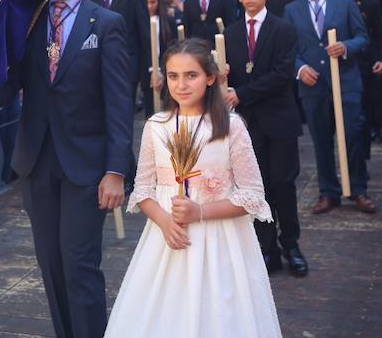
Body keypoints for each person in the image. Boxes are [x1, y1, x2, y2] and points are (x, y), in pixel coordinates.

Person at [0, 0, 131, 338]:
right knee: (50, 266)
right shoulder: (26, 23)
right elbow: (9, 79)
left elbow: (119, 103)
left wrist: (116, 170)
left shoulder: (106, 24)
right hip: (36, 161)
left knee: (79, 265)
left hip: (87, 166)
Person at [105, 39, 280, 337]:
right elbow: (144, 189)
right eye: (173, 76)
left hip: (219, 239)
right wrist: (164, 221)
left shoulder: (230, 126)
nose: (181, 84)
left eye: (191, 75)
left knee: (219, 314)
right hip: (168, 237)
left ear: (210, 78)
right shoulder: (156, 126)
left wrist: (199, 210)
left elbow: (252, 195)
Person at [222, 0, 307, 276]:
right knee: (256, 188)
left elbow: (283, 73)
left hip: (280, 118)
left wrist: (241, 93)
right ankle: (266, 248)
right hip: (247, 124)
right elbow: (226, 76)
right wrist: (223, 78)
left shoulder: (283, 29)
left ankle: (292, 245)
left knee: (283, 184)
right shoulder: (230, 34)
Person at [284, 0, 374, 214]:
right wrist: (300, 69)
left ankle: (358, 189)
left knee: (353, 137)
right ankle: (328, 192)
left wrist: (346, 47)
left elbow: (362, 38)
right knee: (321, 141)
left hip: (345, 83)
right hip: (313, 87)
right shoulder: (292, 9)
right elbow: (287, 50)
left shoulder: (344, 4)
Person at [332, 0, 382, 149]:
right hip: (346, 63)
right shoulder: (331, 5)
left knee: (377, 94)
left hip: (369, 59)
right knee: (357, 107)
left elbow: (380, 33)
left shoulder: (369, 3)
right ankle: (367, 133)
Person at [87, 0, 150, 105]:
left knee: (124, 108)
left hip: (127, 62)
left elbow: (143, 30)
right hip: (99, 64)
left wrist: (147, 67)